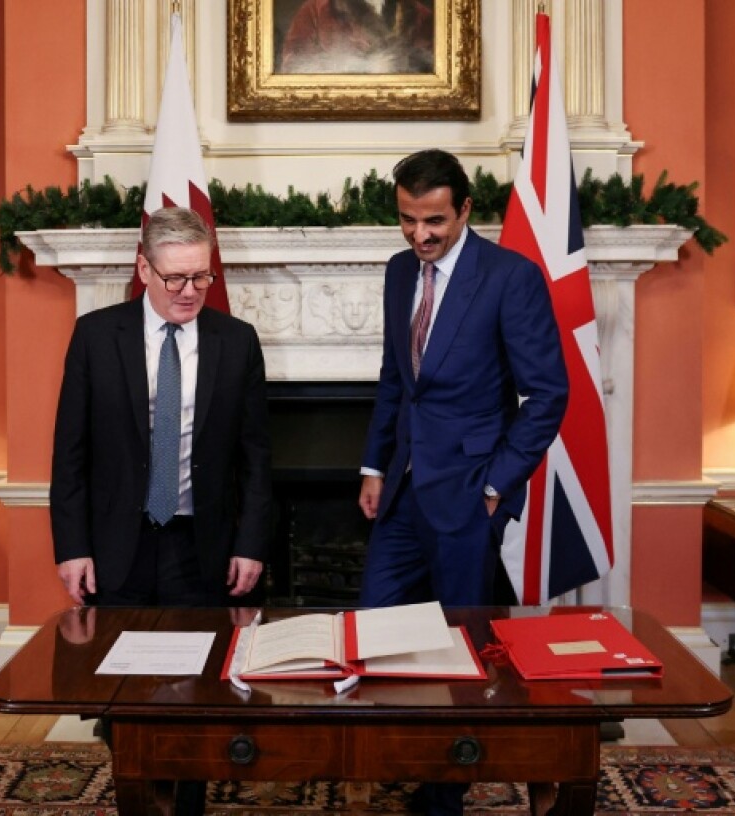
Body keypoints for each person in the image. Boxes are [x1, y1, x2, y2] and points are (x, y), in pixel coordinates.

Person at [356, 149, 569, 816]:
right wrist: (374, 467)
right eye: (407, 219)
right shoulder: (398, 272)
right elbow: (397, 380)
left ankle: (445, 791)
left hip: (472, 492)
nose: (419, 235)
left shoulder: (510, 277)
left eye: (434, 221)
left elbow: (548, 396)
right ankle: (397, 753)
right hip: (402, 488)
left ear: (466, 209)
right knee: (377, 628)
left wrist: (497, 484)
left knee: (459, 648)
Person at [51, 206, 272, 611]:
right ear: (144, 269)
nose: (189, 291)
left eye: (201, 277)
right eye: (175, 278)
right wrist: (72, 547)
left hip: (203, 549)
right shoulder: (96, 337)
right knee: (113, 651)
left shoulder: (237, 341)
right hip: (115, 547)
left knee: (202, 651)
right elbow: (70, 453)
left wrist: (251, 545)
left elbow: (255, 457)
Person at [280, 0, 434, 74]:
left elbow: (437, 74)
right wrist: (365, 67)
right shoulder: (317, 10)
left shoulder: (421, 15)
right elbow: (293, 70)